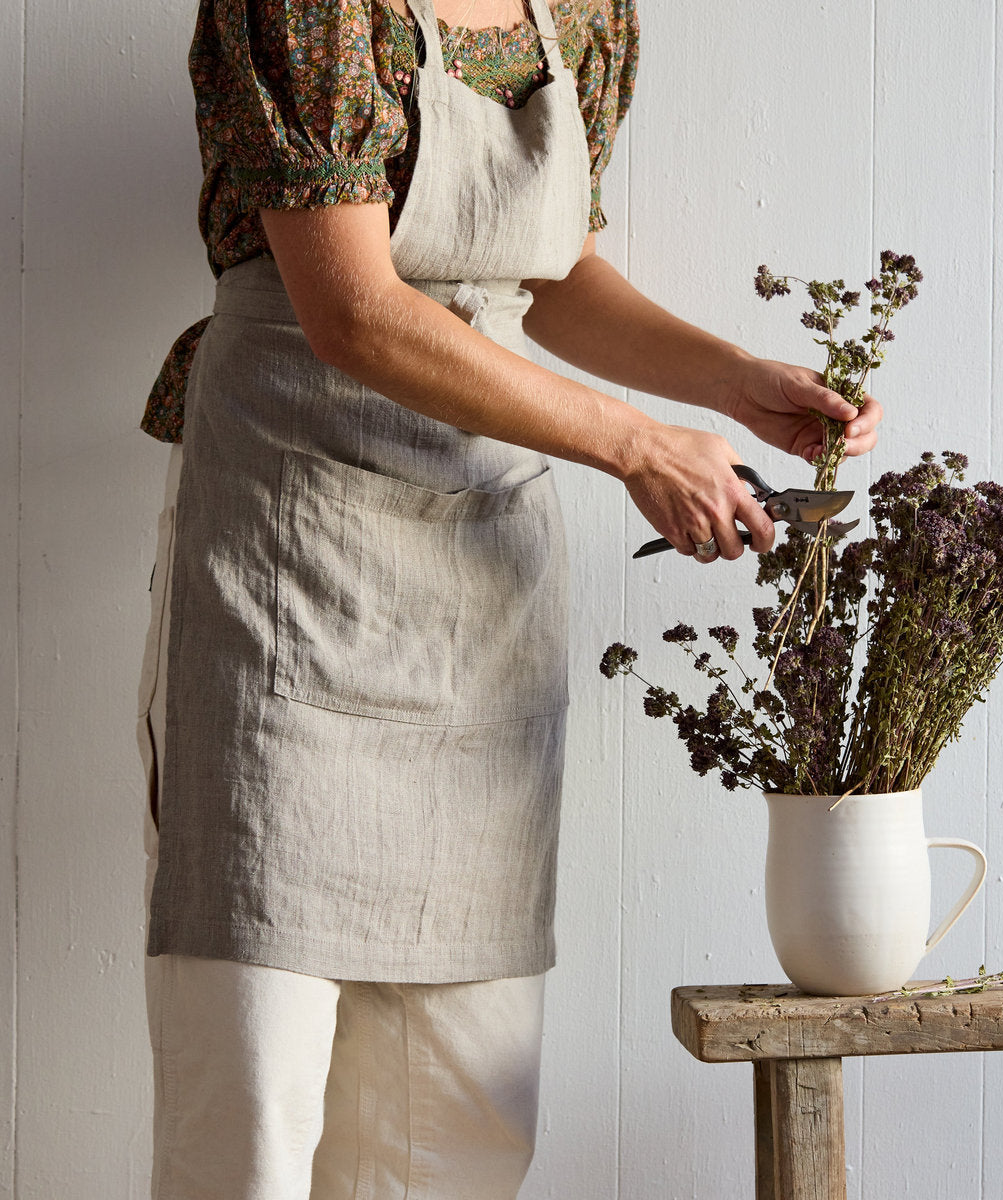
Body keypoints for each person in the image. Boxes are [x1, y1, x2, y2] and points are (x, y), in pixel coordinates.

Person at [136, 0, 882, 1194]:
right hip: (292, 548)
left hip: (477, 573)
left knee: (462, 1117)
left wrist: (735, 385)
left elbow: (553, 276)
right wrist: (637, 445)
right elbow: (357, 312)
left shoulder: (585, 14)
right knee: (254, 1100)